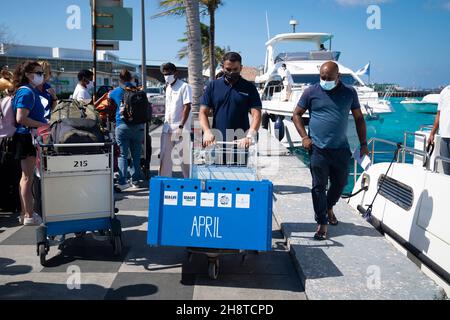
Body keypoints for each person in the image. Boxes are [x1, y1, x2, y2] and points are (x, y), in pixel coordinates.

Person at [292, 61, 369, 241]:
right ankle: (322, 223)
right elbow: (296, 114)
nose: (325, 80)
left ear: (338, 76)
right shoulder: (311, 92)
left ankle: (328, 207)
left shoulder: (349, 92)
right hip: (317, 148)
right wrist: (304, 137)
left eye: (329, 78)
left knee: (340, 184)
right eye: (322, 77)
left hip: (341, 149)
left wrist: (363, 143)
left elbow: (359, 118)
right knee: (318, 187)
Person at [200, 52, 262, 151]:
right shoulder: (212, 86)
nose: (231, 72)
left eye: (235, 69)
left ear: (241, 68)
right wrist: (207, 132)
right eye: (228, 69)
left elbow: (257, 114)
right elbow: (203, 112)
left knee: (240, 166)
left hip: (241, 143)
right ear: (222, 67)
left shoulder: (249, 88)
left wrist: (249, 136)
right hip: (217, 142)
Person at [11, 61, 48, 225]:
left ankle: (25, 212)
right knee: (28, 178)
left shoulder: (27, 91)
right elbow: (21, 118)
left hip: (25, 137)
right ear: (28, 74)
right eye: (38, 72)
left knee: (25, 177)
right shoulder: (27, 93)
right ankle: (29, 215)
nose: (42, 75)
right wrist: (44, 125)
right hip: (26, 138)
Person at [109, 69, 145, 191]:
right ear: (130, 79)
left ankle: (123, 181)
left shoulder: (116, 92)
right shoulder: (138, 91)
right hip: (138, 127)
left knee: (123, 155)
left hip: (122, 126)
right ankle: (135, 181)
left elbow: (108, 100)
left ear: (120, 79)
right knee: (136, 155)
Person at [159, 62, 192, 178]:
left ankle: (189, 181)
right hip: (167, 127)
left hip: (180, 127)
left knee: (184, 158)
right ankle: (165, 180)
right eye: (164, 74)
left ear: (175, 73)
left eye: (169, 73)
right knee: (165, 157)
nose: (166, 76)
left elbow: (187, 106)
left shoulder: (184, 86)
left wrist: (181, 126)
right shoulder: (167, 87)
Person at [428, 85, 450, 175]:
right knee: (447, 173)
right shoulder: (444, 91)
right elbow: (438, 115)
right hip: (444, 138)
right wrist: (432, 133)